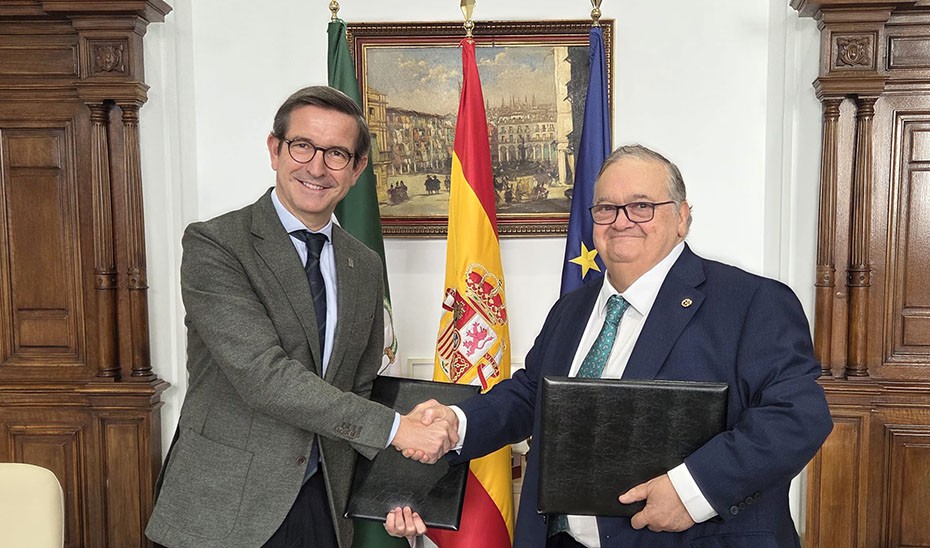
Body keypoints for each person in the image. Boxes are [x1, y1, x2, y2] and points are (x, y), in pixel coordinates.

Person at [390, 144, 834, 547]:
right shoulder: (571, 308)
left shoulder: (752, 302)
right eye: (606, 208)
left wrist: (691, 490)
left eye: (642, 206)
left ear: (682, 217)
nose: (621, 221)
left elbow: (798, 416)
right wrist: (457, 423)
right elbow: (531, 394)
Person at [145, 86, 456, 548]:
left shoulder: (364, 265)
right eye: (303, 146)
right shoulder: (217, 245)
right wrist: (398, 430)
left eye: (336, 154)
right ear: (275, 149)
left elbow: (359, 386)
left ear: (356, 169)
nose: (316, 167)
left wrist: (397, 490)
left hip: (323, 505)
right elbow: (264, 376)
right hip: (225, 508)